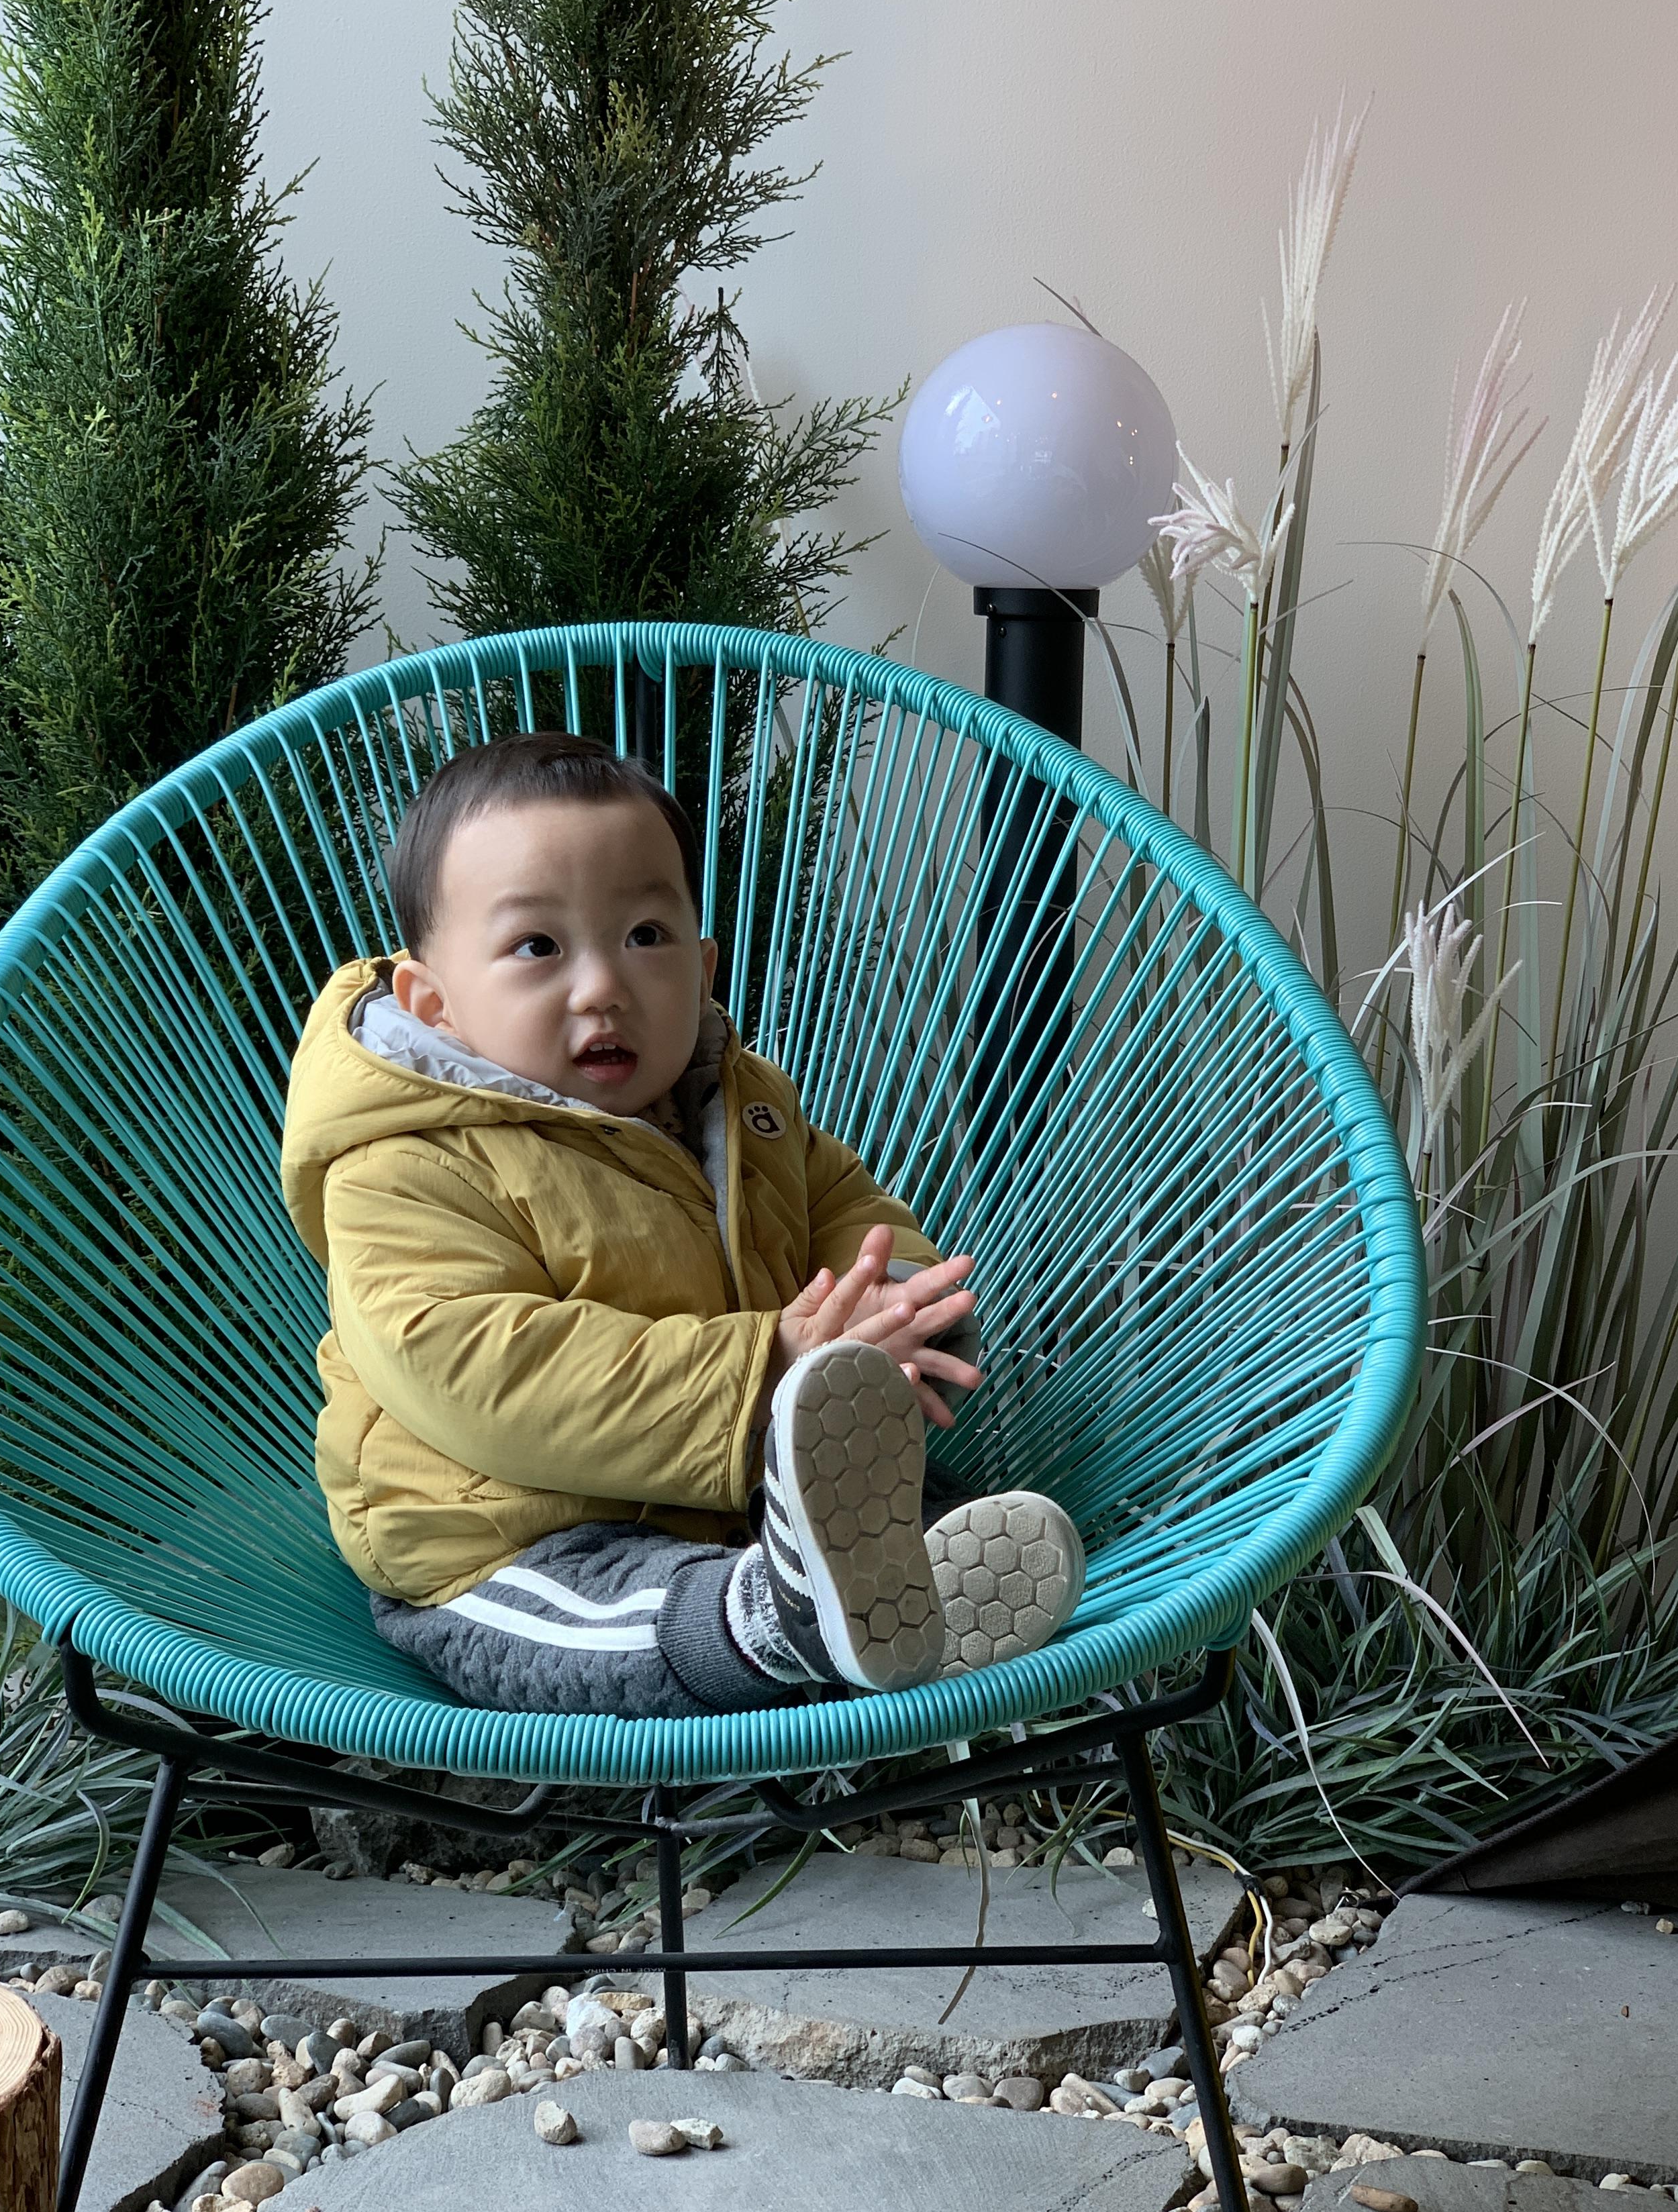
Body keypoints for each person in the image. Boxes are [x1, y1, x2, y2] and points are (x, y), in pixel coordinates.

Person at [280, 730, 1083, 1716]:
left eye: (646, 936)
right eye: (538, 947)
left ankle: (904, 1595)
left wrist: (888, 1303)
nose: (603, 986)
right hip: (510, 1541)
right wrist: (768, 1368)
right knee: (608, 1626)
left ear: (702, 968)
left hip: (741, 1492)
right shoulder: (404, 1161)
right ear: (434, 1004)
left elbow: (842, 1207)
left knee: (908, 1509)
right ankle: (771, 1620)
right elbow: (475, 1367)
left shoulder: (739, 1107)